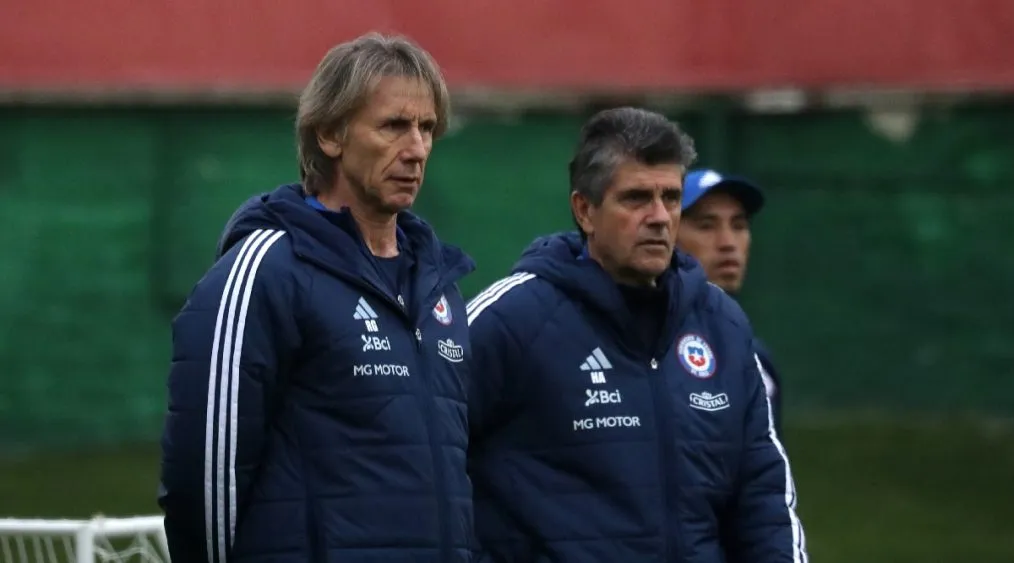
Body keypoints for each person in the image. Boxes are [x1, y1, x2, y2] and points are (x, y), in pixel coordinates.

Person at [158, 33, 477, 563]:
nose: (417, 149)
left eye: (426, 128)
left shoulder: (438, 286)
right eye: (394, 125)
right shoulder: (268, 270)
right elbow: (205, 472)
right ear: (330, 134)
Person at [466, 107, 806, 562]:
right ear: (585, 210)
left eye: (670, 197)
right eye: (636, 198)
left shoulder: (722, 325)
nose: (660, 217)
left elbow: (763, 494)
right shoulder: (511, 319)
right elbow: (421, 459)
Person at [676, 169, 784, 432]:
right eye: (706, 225)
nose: (728, 243)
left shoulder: (756, 359)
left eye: (739, 225)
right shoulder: (643, 352)